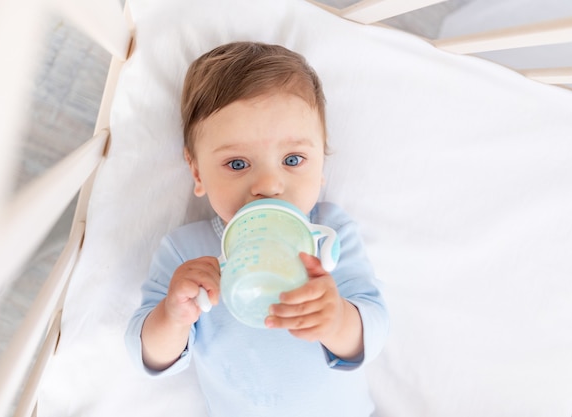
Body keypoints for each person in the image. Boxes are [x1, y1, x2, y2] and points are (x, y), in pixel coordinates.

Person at [125, 41, 389, 416]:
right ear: (197, 172)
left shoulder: (329, 232)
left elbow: (374, 329)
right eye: (236, 164)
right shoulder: (187, 253)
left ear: (321, 166)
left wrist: (338, 320)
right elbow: (146, 355)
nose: (268, 184)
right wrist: (173, 316)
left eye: (293, 159)